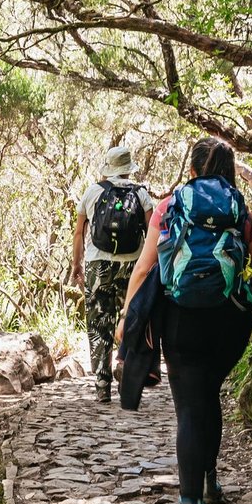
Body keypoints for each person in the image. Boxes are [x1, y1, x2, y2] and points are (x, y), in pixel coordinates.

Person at [117, 137, 252, 504]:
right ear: (229, 172)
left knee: (191, 407)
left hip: (182, 322)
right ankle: (209, 478)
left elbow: (143, 270)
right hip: (232, 323)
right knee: (208, 393)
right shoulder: (241, 213)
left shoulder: (170, 205)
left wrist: (127, 320)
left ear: (192, 170)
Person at [69, 145, 156, 402]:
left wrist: (76, 265)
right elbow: (152, 234)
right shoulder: (141, 195)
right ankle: (125, 366)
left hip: (98, 266)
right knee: (131, 318)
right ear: (129, 169)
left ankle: (101, 385)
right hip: (133, 266)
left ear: (108, 168)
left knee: (98, 325)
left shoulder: (93, 192)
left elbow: (79, 233)